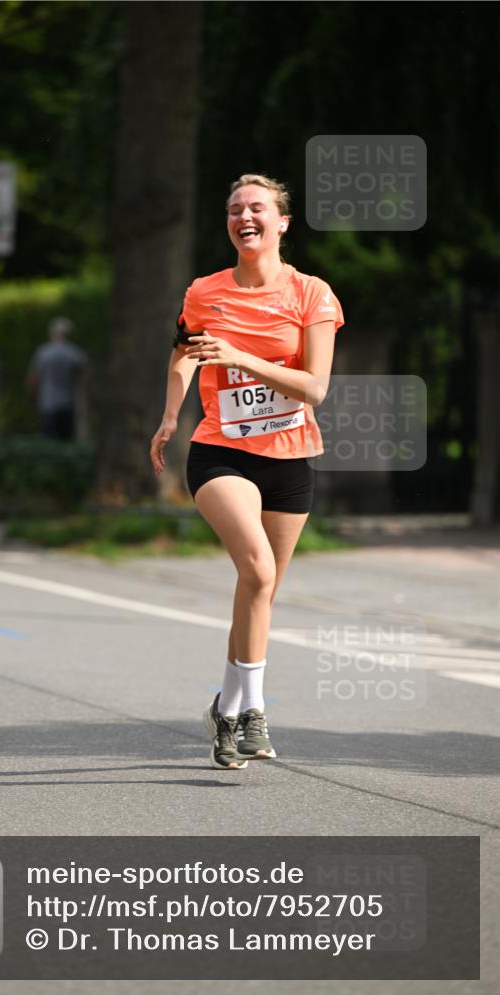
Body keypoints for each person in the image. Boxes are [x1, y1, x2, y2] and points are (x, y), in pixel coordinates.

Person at [150, 173, 344, 769]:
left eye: (257, 207)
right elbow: (185, 352)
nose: (244, 216)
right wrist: (168, 417)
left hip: (289, 458)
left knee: (259, 589)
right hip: (221, 452)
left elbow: (313, 387)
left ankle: (226, 711)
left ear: (282, 222)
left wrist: (242, 357)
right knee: (257, 569)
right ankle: (254, 712)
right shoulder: (205, 292)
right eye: (234, 209)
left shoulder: (312, 294)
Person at [26, 316, 87, 440]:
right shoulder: (75, 353)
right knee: (66, 441)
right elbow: (83, 381)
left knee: (47, 442)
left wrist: (32, 399)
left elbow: (33, 379)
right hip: (68, 403)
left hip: (47, 403)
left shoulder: (43, 353)